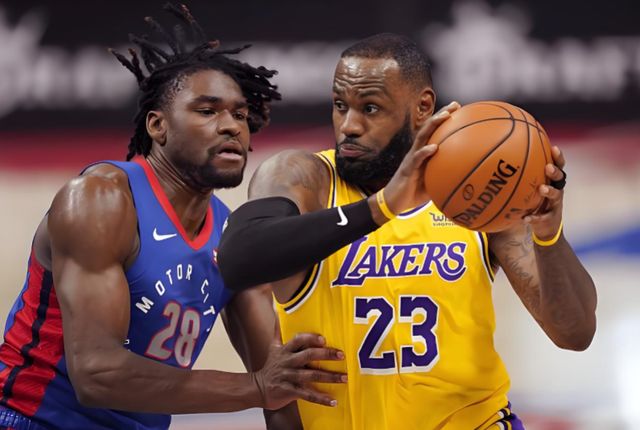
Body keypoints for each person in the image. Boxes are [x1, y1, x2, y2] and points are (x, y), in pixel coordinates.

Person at [218, 33, 598, 429]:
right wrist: (380, 208)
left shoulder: (477, 193)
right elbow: (239, 258)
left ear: (423, 108)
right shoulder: (304, 178)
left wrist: (548, 235)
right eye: (340, 105)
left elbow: (575, 333)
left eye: (370, 108)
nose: (349, 125)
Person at [0, 4, 346, 430]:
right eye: (208, 111)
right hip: (33, 420)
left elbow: (280, 387)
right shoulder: (101, 200)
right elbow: (96, 373)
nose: (232, 126)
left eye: (240, 115)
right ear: (157, 126)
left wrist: (275, 390)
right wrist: (256, 388)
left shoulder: (233, 239)